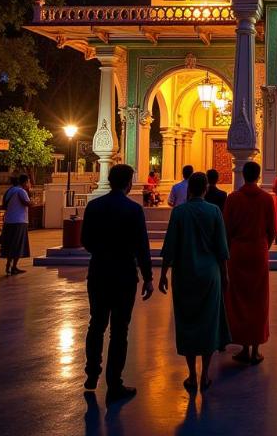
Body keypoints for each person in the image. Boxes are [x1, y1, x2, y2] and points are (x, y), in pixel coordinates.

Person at [81, 164, 153, 404]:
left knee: (96, 324)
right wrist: (148, 277)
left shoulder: (94, 206)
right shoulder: (133, 210)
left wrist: (103, 253)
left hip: (99, 271)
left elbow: (86, 241)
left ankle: (92, 373)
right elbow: (142, 246)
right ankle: (114, 383)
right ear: (128, 183)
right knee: (119, 330)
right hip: (123, 274)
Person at [160, 171, 230, 394]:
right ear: (206, 189)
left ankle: (191, 374)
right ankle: (205, 373)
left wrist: (162, 274)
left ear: (189, 189)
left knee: (187, 321)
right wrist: (225, 275)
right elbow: (221, 248)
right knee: (209, 322)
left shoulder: (179, 212)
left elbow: (170, 246)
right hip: (210, 274)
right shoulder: (214, 211)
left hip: (184, 273)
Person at [223, 161, 276, 365]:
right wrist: (263, 246)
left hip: (237, 252)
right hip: (258, 250)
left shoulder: (233, 198)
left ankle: (244, 346)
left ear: (242, 174)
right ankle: (256, 348)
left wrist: (229, 250)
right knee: (259, 300)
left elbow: (226, 229)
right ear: (259, 175)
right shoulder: (266, 199)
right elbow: (272, 230)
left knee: (239, 299)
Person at [1, 174, 31, 275]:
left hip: (9, 220)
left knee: (10, 244)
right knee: (18, 244)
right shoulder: (21, 191)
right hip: (19, 221)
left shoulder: (10, 190)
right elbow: (28, 203)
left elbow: (4, 205)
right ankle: (14, 267)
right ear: (24, 182)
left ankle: (8, 264)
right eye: (28, 182)